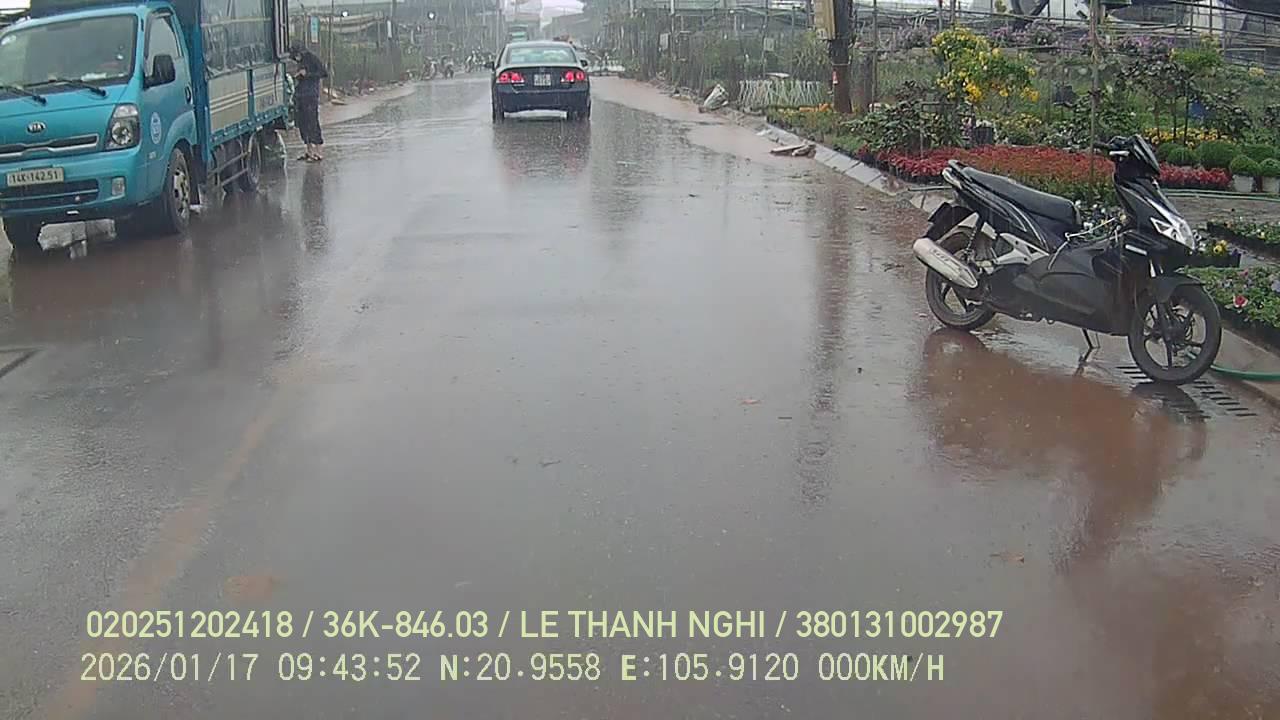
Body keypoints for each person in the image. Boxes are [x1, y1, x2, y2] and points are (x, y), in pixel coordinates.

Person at [289, 42, 328, 162]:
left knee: (312, 121)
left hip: (311, 94)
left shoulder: (312, 58)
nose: (296, 58)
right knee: (302, 123)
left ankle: (318, 151)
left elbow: (323, 73)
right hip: (300, 94)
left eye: (297, 55)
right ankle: (309, 151)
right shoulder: (297, 62)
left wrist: (307, 74)